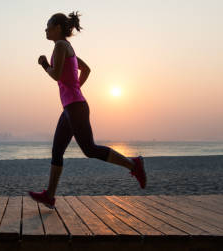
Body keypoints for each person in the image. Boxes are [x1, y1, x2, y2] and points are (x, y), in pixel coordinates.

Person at [28, 11, 146, 209]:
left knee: (89, 149)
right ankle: (49, 195)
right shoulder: (68, 47)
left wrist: (44, 65)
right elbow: (87, 69)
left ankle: (134, 165)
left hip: (75, 107)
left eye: (48, 26)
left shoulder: (59, 45)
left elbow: (56, 75)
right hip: (71, 107)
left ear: (57, 28)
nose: (45, 29)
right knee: (57, 150)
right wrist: (75, 89)